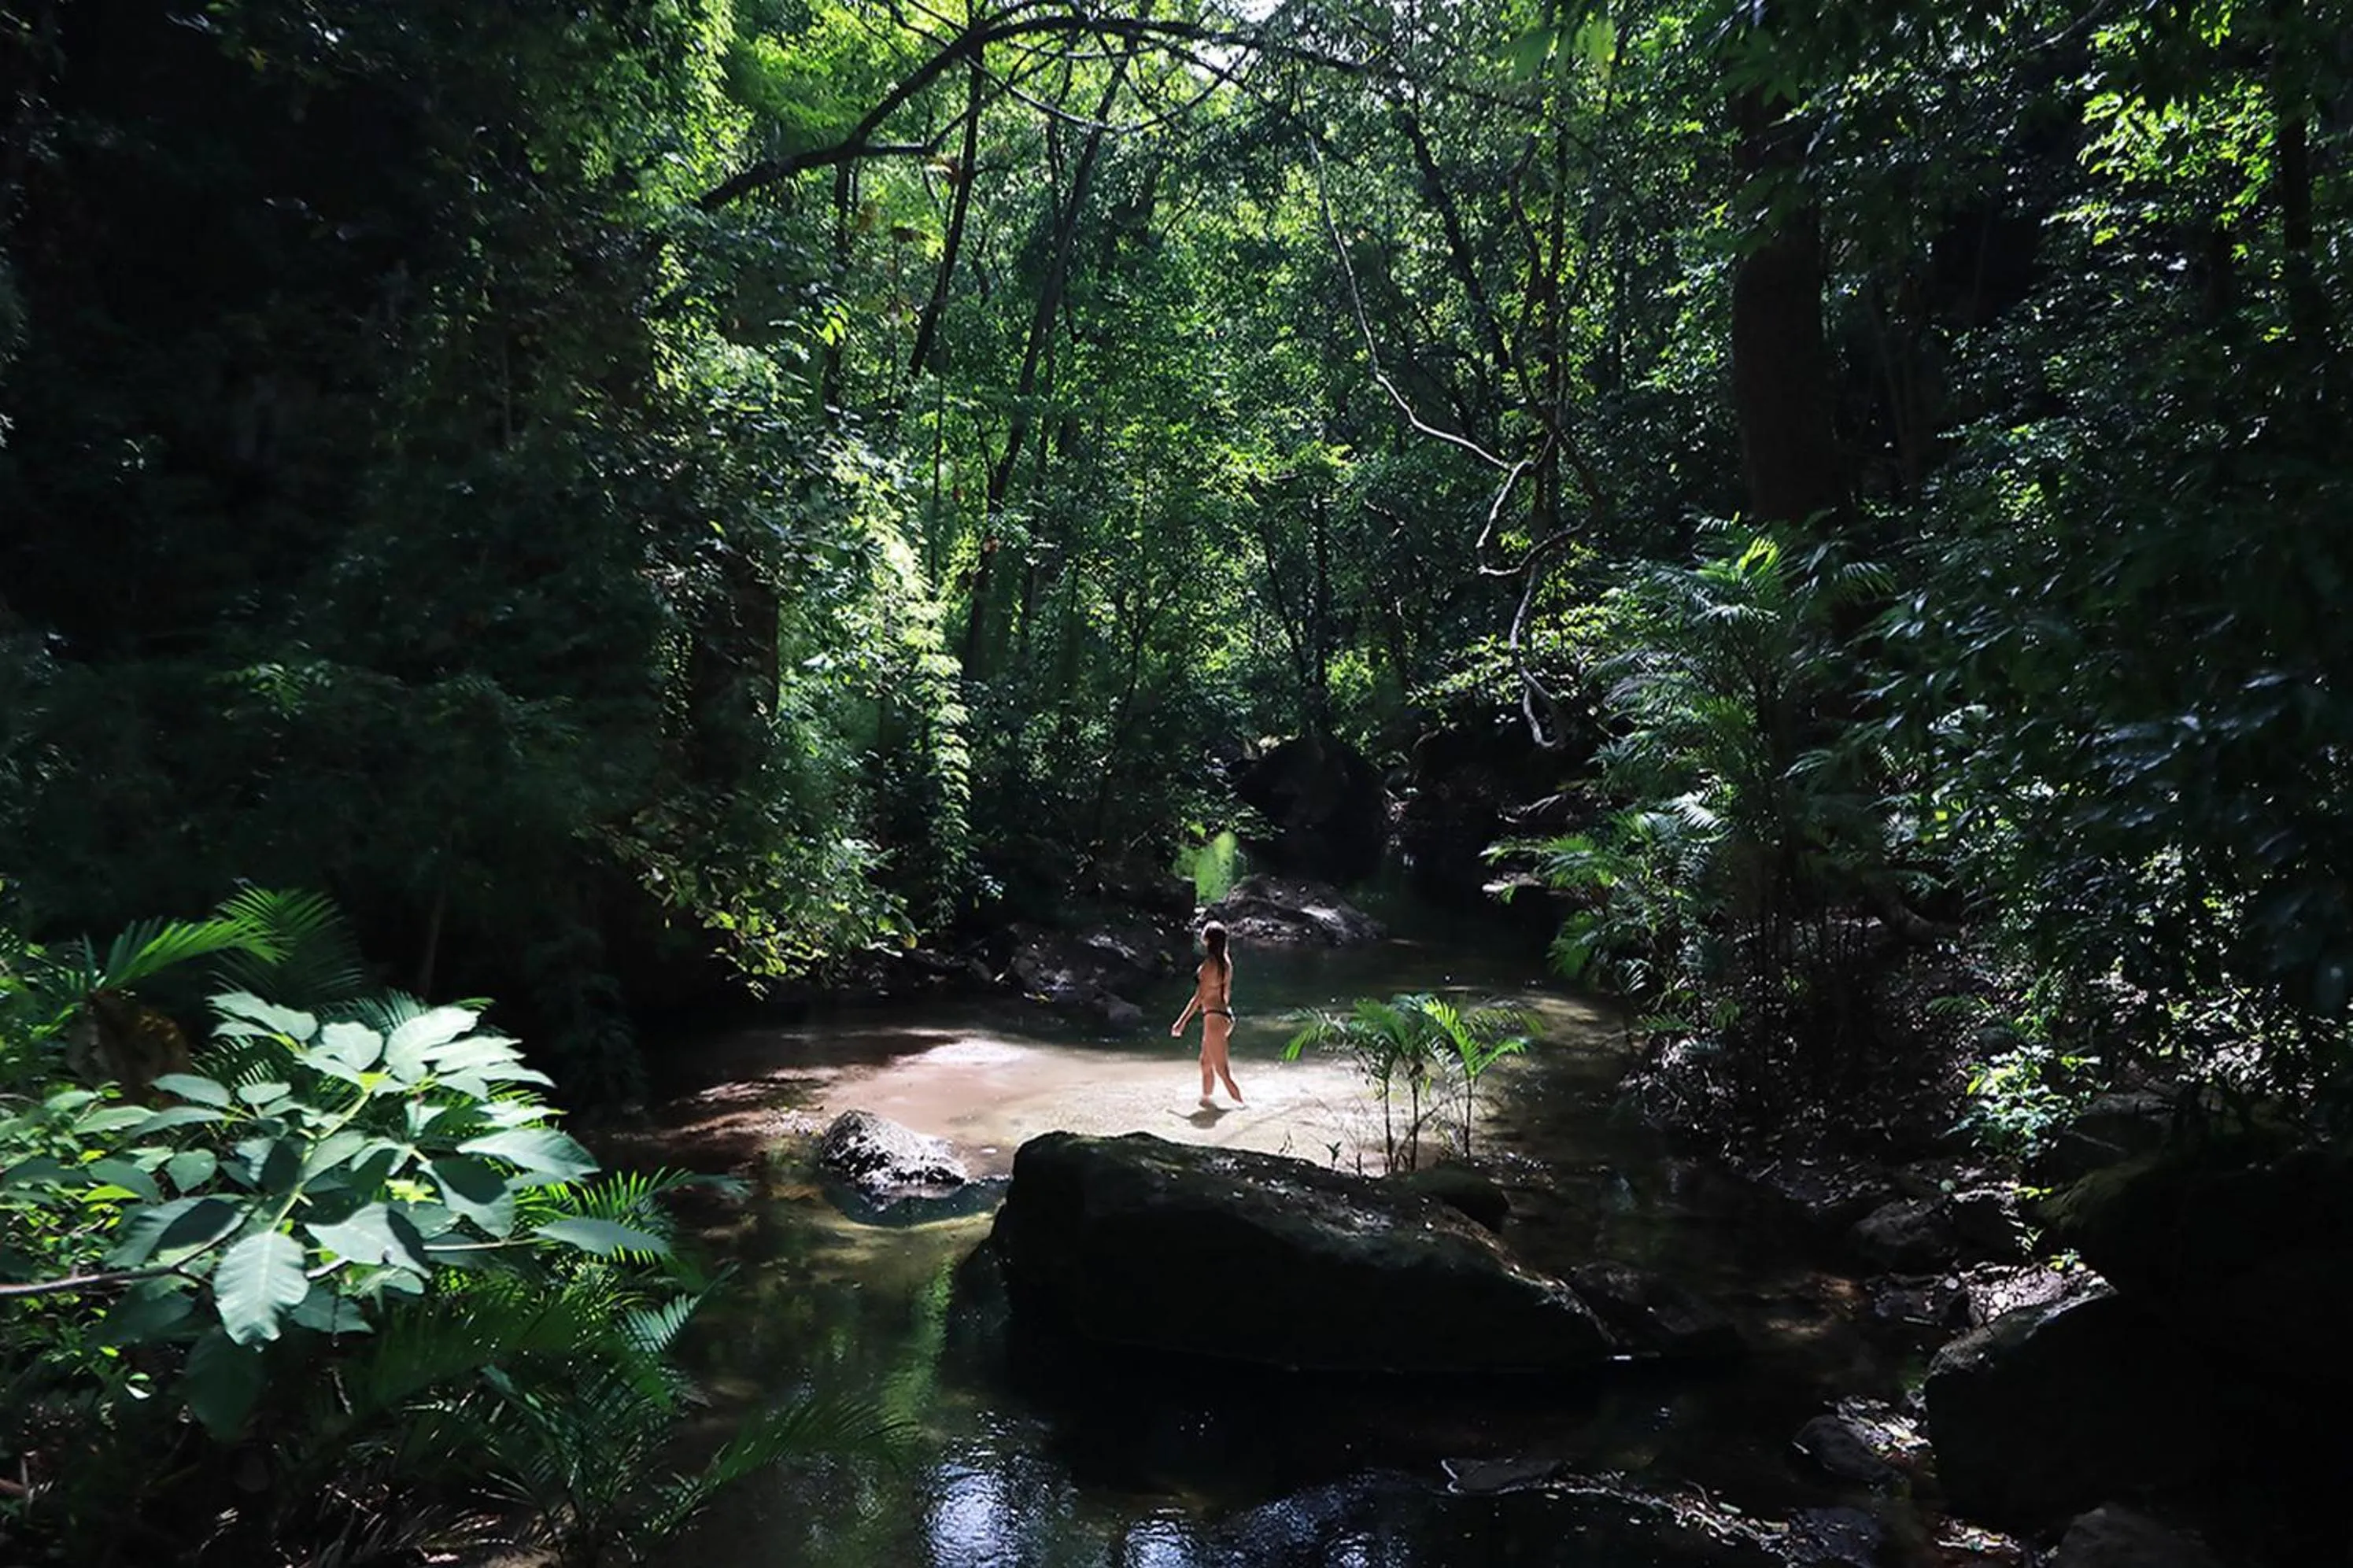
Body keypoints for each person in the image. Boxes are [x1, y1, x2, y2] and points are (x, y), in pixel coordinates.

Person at [1170, 921, 1243, 1109]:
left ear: (1208, 940)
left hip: (1214, 1018)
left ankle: (1244, 1108)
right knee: (1205, 1063)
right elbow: (1226, 994)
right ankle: (1207, 1102)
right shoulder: (1226, 963)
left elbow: (1199, 997)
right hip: (1223, 1016)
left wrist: (1181, 1023)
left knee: (1222, 1071)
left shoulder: (1210, 965)